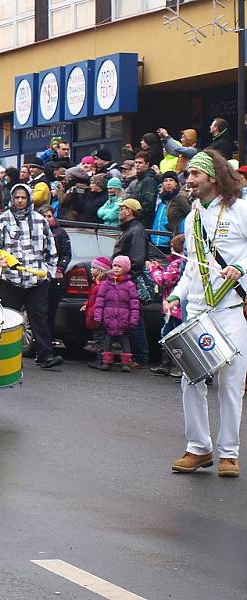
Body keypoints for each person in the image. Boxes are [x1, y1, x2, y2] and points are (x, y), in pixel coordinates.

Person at [164, 150, 247, 477]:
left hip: (230, 308)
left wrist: (240, 268)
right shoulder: (193, 216)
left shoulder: (241, 209)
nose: (189, 181)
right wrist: (175, 295)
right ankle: (199, 448)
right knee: (191, 378)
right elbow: (190, 270)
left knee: (230, 382)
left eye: (195, 175)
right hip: (198, 309)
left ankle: (229, 453)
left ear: (212, 176)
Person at [0, 184, 62, 368]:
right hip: (11, 279)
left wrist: (49, 272)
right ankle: (8, 357)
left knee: (39, 317)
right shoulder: (2, 221)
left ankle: (45, 355)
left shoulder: (40, 221)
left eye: (23, 198)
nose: (20, 201)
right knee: (9, 318)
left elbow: (51, 248)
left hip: (36, 279)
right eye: (16, 197)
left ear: (29, 199)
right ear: (11, 199)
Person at [112, 198, 149, 367]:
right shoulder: (130, 230)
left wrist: (124, 277)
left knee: (135, 319)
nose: (119, 211)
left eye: (122, 208)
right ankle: (134, 354)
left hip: (130, 281)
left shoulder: (136, 231)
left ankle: (140, 356)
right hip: (126, 279)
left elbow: (136, 260)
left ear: (129, 211)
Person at [93, 255, 140, 372]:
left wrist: (133, 320)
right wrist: (98, 317)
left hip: (123, 320)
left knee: (125, 341)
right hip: (108, 319)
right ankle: (107, 362)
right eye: (114, 265)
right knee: (107, 341)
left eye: (119, 266)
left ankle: (126, 363)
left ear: (125, 268)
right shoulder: (106, 284)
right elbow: (100, 301)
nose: (116, 268)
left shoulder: (130, 285)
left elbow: (134, 304)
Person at [148, 234, 184, 378]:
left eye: (172, 246)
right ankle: (166, 365)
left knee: (173, 336)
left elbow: (164, 281)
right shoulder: (176, 263)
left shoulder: (178, 263)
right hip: (172, 308)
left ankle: (183, 369)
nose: (170, 249)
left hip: (176, 308)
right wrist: (161, 268)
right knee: (167, 335)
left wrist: (153, 270)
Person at [38, 205, 72, 345]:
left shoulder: (61, 233)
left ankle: (49, 341)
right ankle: (40, 341)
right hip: (39, 277)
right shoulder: (35, 231)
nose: (47, 219)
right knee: (40, 312)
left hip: (54, 280)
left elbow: (66, 253)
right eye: (44, 216)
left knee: (51, 311)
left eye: (49, 216)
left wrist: (60, 269)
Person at [83, 256, 111, 369]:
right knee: (101, 338)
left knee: (100, 339)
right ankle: (103, 359)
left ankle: (102, 360)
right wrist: (86, 304)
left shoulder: (101, 285)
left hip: (98, 316)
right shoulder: (97, 283)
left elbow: (99, 302)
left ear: (101, 271)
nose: (91, 270)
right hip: (95, 313)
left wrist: (93, 314)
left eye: (93, 268)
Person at [133, 151, 159, 227]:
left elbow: (148, 203)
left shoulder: (149, 180)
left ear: (147, 164)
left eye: (140, 163)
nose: (137, 165)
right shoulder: (141, 179)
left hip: (144, 222)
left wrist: (137, 215)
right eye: (136, 162)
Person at [162, 171, 191, 238]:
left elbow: (191, 214)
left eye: (171, 180)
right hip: (175, 235)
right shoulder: (167, 198)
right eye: (165, 181)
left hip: (183, 236)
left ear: (176, 183)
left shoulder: (179, 197)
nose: (168, 183)